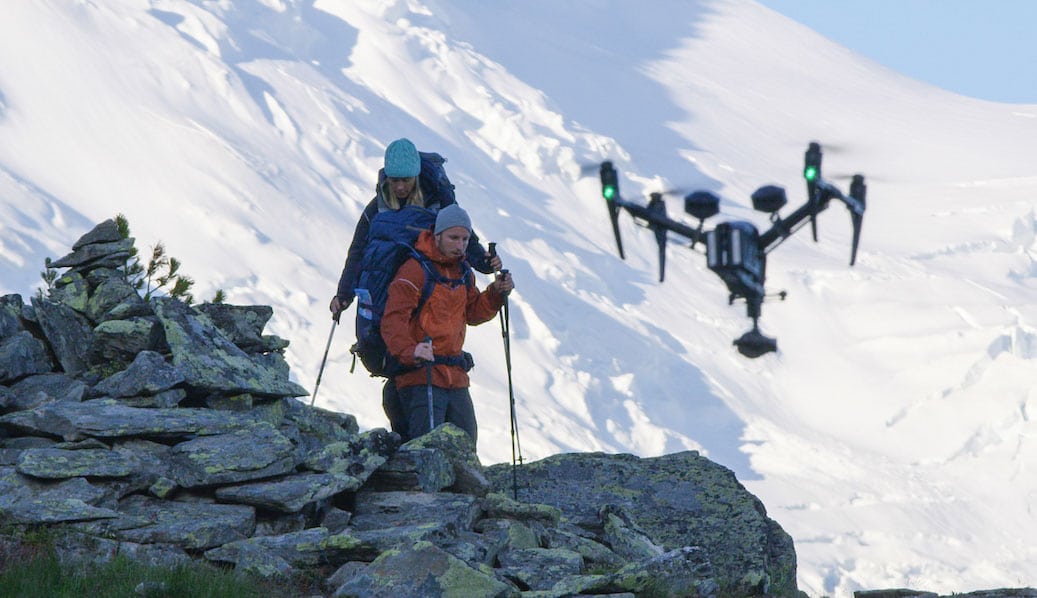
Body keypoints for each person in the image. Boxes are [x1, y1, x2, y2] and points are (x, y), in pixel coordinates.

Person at [329, 138, 501, 437]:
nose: (399, 188)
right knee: (399, 346)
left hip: (425, 296)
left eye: (405, 181)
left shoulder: (433, 200)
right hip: (396, 291)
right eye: (394, 181)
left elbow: (461, 237)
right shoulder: (378, 206)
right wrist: (343, 294)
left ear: (416, 176)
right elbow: (357, 252)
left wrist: (484, 265)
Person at [380, 204, 514, 442]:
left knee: (464, 450)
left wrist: (495, 293)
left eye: (464, 239)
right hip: (421, 375)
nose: (460, 245)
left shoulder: (463, 271)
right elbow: (393, 320)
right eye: (453, 237)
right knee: (427, 453)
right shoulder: (414, 270)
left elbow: (472, 313)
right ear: (437, 235)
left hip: (455, 375)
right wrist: (410, 351)